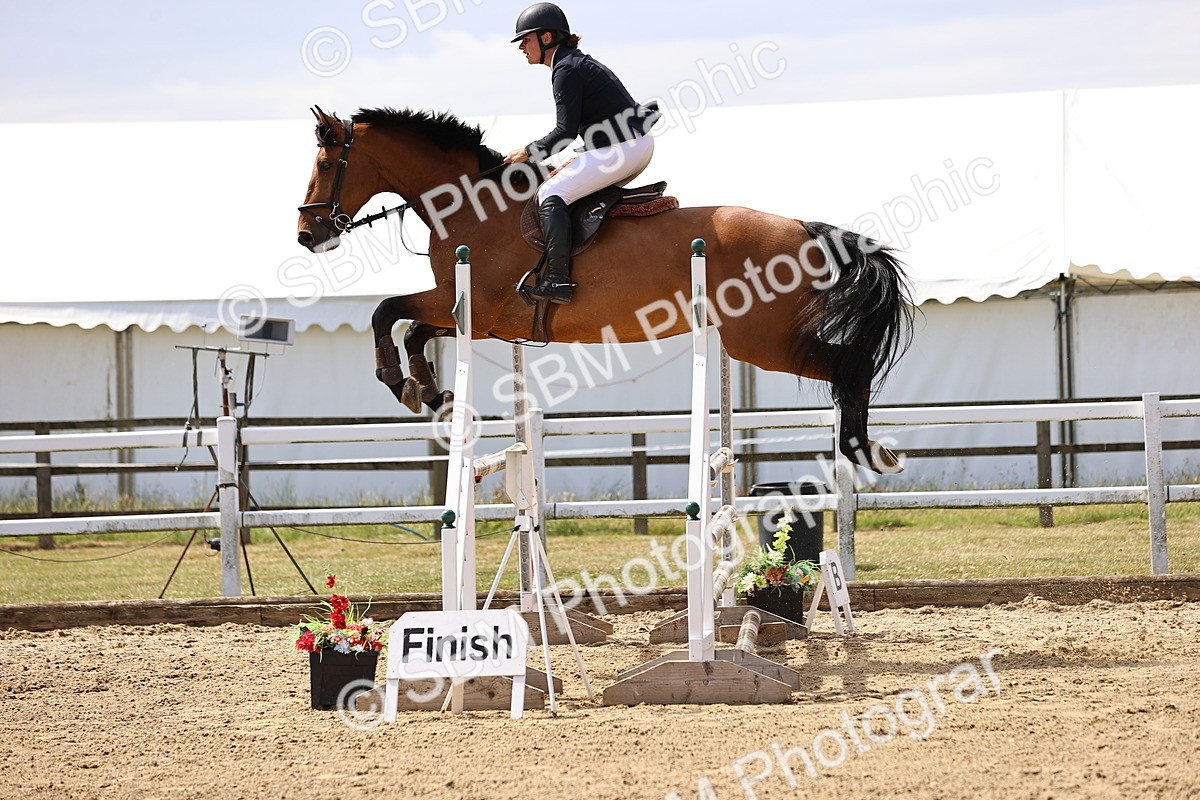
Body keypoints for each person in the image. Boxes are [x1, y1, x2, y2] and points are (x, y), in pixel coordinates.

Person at [504, 3, 656, 304]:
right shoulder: (571, 63)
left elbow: (564, 132)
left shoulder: (566, 69)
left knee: (549, 193)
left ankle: (558, 279)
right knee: (567, 184)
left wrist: (527, 153)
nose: (521, 46)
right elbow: (595, 122)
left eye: (526, 38)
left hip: (623, 146)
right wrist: (581, 156)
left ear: (547, 37)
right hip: (627, 143)